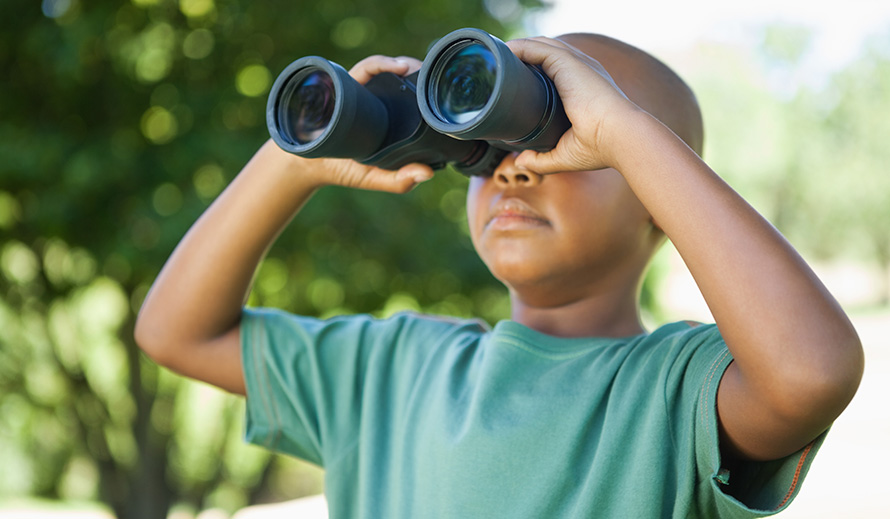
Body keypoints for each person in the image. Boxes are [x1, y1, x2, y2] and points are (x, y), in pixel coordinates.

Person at [134, 32, 864, 518]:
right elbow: (173, 330)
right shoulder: (389, 369)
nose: (513, 166)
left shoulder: (675, 391)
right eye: (483, 150)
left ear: (662, 201)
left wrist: (623, 129)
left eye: (560, 142)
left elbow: (812, 372)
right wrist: (293, 162)